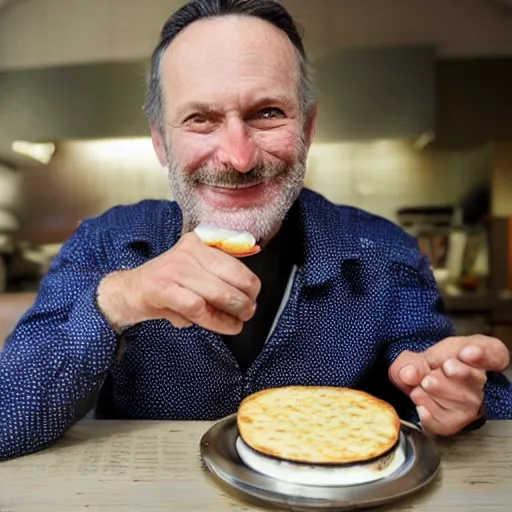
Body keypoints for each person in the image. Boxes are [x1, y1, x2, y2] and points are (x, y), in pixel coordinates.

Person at [0, 0, 510, 462]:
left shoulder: (385, 256)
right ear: (161, 142)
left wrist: (461, 399)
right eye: (200, 119)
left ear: (307, 128)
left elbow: (470, 403)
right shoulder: (105, 244)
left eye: (267, 113)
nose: (239, 158)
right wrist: (117, 300)